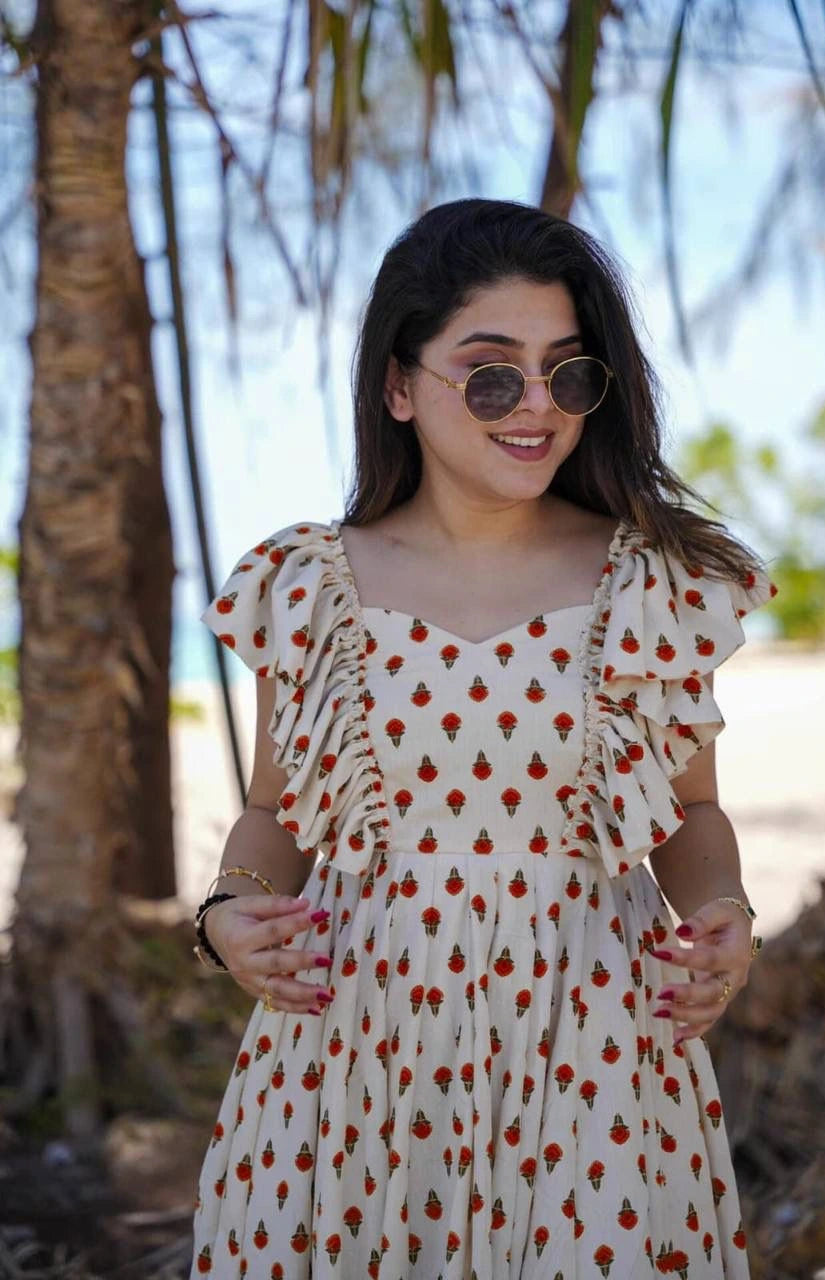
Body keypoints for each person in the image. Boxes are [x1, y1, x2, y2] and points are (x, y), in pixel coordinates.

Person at [191, 197, 776, 1279]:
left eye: (569, 372)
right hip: (351, 1049)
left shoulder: (650, 581)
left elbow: (688, 813)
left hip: (589, 1047)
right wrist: (227, 912)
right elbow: (276, 813)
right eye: (492, 371)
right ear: (398, 384)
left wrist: (722, 916)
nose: (536, 406)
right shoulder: (306, 585)